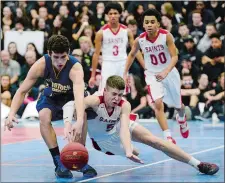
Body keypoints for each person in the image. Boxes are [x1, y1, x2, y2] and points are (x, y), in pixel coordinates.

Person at [63, 75, 219, 176]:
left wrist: (128, 150)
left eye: (120, 94)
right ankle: (72, 161)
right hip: (103, 140)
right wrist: (70, 124)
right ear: (105, 91)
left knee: (154, 141)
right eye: (113, 94)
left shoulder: (124, 105)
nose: (117, 98)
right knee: (80, 116)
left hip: (116, 127)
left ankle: (198, 164)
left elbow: (124, 128)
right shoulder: (95, 101)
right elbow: (71, 105)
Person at [4, 35, 96, 178]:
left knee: (81, 114)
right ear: (49, 53)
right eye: (56, 57)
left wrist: (78, 122)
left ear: (69, 53)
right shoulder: (41, 65)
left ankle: (79, 158)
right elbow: (22, 90)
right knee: (43, 115)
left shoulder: (76, 68)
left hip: (71, 97)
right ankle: (58, 161)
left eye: (63, 57)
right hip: (52, 97)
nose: (59, 61)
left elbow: (79, 97)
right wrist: (11, 114)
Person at [124, 9, 189, 144]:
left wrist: (166, 71)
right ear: (143, 25)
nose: (149, 25)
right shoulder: (140, 40)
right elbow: (132, 54)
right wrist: (124, 73)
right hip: (152, 75)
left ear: (158, 24)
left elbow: (175, 56)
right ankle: (168, 137)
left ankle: (181, 119)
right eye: (146, 22)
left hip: (169, 73)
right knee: (158, 104)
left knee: (179, 106)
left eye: (152, 22)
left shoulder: (167, 36)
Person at [88, 2, 145, 94]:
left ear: (120, 14)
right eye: (110, 14)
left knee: (122, 93)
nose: (113, 16)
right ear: (107, 15)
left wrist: (145, 66)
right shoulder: (101, 33)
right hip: (108, 63)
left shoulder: (127, 31)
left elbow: (135, 51)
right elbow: (96, 54)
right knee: (105, 92)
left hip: (122, 63)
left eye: (115, 13)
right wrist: (92, 75)